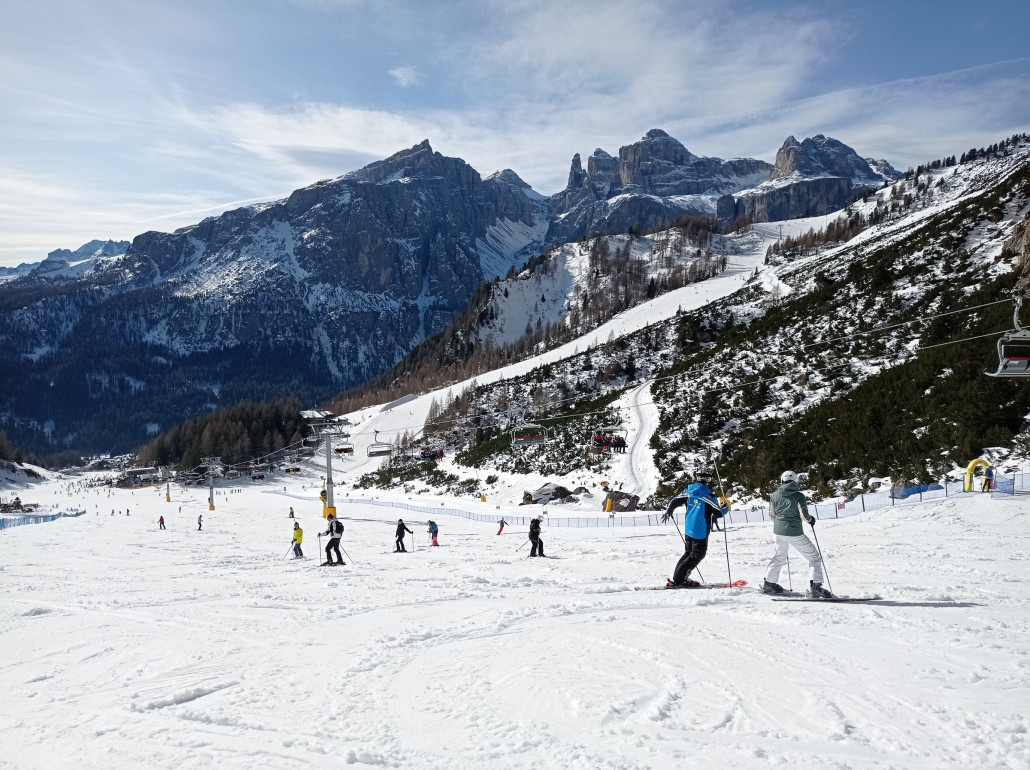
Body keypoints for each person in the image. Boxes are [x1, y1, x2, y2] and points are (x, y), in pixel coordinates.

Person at [762, 471, 832, 598]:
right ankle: (816, 587)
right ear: (795, 481)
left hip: (778, 532)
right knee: (814, 557)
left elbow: (772, 515)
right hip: (794, 532)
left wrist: (781, 524)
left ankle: (769, 584)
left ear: (782, 481)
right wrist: (811, 520)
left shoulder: (774, 495)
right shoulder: (799, 496)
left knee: (779, 557)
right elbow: (804, 516)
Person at [664, 474, 727, 586]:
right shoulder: (708, 496)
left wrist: (669, 511)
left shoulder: (688, 491)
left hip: (689, 528)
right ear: (707, 481)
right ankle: (680, 579)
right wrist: (726, 507)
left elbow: (674, 501)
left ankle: (678, 577)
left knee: (688, 553)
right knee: (698, 555)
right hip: (700, 530)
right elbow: (719, 513)